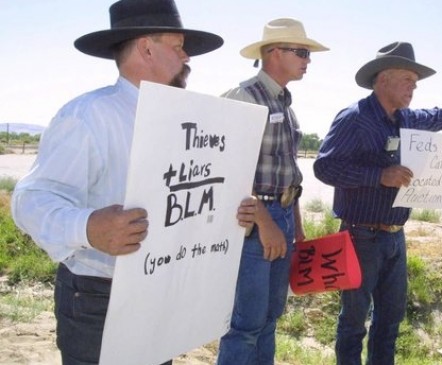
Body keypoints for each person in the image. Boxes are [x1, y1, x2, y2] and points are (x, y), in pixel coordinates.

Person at [10, 1, 258, 364]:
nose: (187, 56)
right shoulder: (90, 115)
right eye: (178, 46)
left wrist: (230, 213)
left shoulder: (190, 120)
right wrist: (88, 227)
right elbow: (30, 199)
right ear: (146, 48)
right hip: (99, 298)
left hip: (161, 290)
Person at [313, 41, 442, 365]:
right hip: (360, 236)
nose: (413, 88)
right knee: (353, 323)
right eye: (408, 80)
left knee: (390, 321)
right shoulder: (355, 118)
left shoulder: (405, 119)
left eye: (415, 83)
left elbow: (434, 117)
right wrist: (379, 176)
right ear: (383, 79)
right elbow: (325, 167)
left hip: (395, 236)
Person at [216, 18, 328, 365]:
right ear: (274, 53)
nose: (308, 60)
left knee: (268, 319)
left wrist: (294, 225)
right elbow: (224, 170)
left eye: (308, 53)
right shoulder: (244, 98)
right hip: (253, 223)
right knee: (246, 325)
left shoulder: (284, 104)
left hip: (280, 219)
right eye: (301, 52)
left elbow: (287, 175)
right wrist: (266, 222)